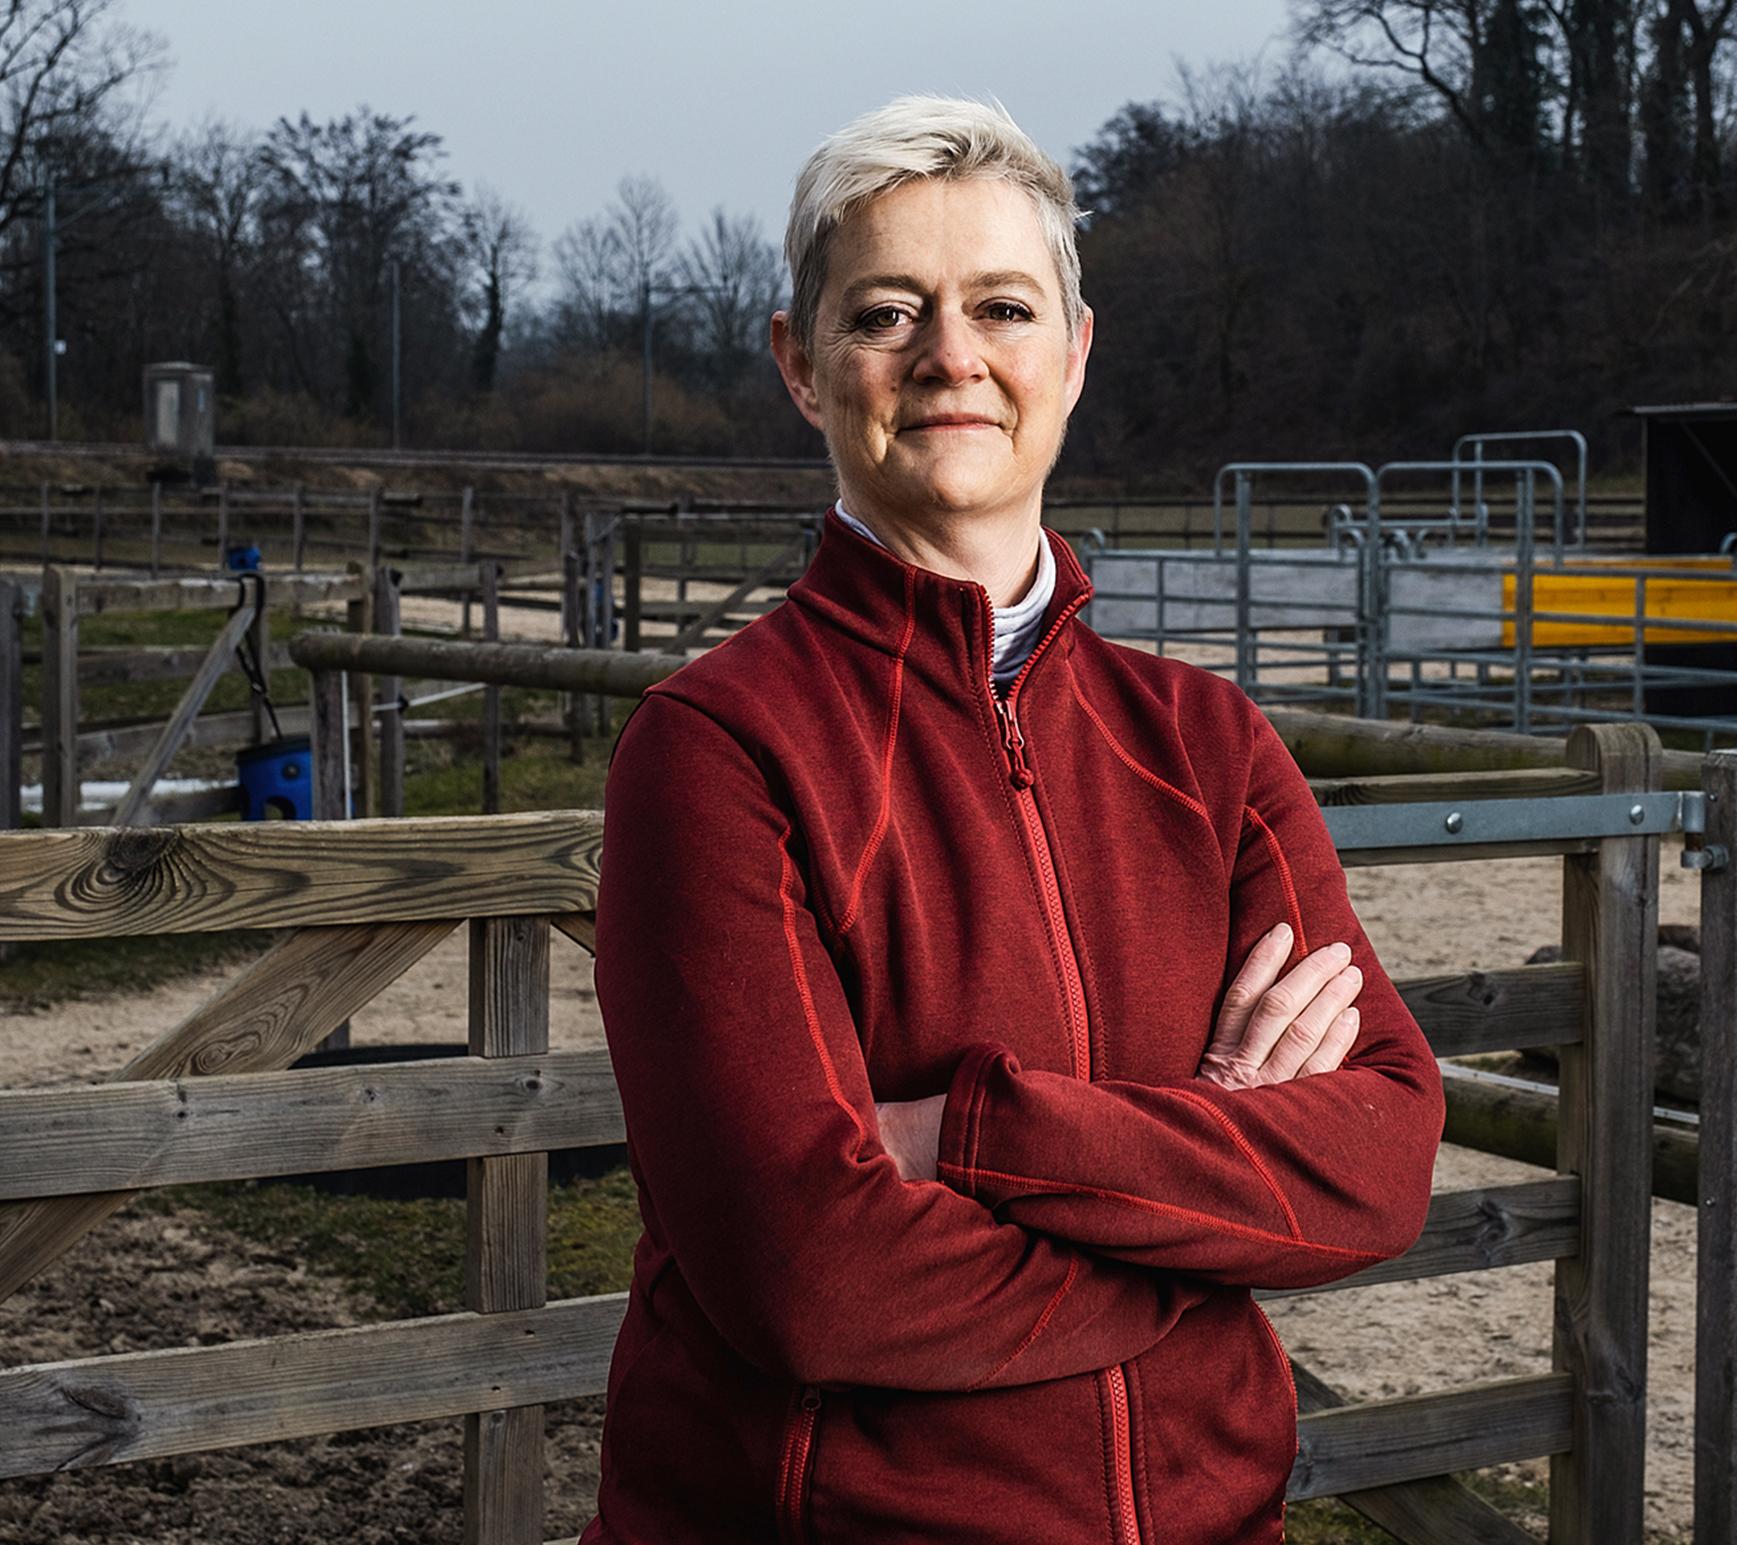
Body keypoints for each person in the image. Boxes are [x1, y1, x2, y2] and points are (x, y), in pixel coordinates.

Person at [584, 96, 1444, 1545]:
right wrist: (1212, 1204)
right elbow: (814, 1274)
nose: (951, 357)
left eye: (1001, 305)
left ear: (1074, 352)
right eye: (886, 313)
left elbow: (1380, 1155)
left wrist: (972, 1131)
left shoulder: (1207, 744)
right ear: (803, 365)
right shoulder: (718, 751)